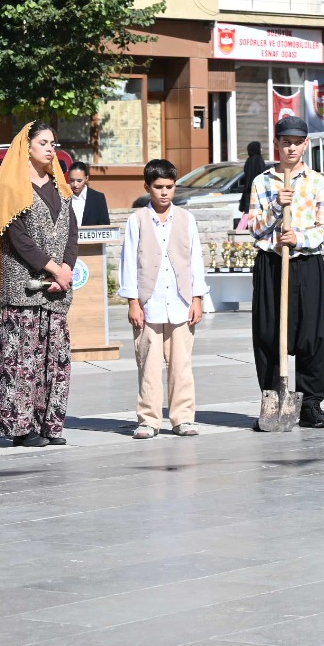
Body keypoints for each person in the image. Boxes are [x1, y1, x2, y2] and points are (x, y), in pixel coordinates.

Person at [0, 123, 78, 447]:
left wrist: (66, 270)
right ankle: (21, 429)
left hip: (56, 292)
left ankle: (49, 425)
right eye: (43, 142)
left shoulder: (61, 188)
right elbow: (19, 240)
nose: (50, 149)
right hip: (23, 290)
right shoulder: (11, 188)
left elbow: (72, 234)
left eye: (53, 143)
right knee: (21, 362)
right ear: (27, 146)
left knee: (55, 361)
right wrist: (54, 269)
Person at [248, 115, 324, 429]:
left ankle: (311, 405)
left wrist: (299, 238)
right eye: (286, 142)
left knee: (313, 336)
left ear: (306, 144)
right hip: (272, 265)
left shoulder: (317, 182)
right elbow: (254, 229)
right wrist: (276, 207)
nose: (291, 148)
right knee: (269, 334)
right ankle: (273, 402)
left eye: (297, 143)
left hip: (307, 264)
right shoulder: (261, 182)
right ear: (276, 143)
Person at [120, 158, 209, 440]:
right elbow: (128, 263)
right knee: (148, 364)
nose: (164, 192)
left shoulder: (186, 219)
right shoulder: (136, 220)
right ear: (147, 187)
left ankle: (183, 418)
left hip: (181, 303)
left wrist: (197, 298)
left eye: (169, 187)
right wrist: (133, 302)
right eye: (158, 187)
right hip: (149, 304)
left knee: (181, 365)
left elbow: (195, 260)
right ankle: (148, 419)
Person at [66, 161, 110, 227]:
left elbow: (105, 226)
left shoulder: (98, 198)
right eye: (72, 180)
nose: (75, 184)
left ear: (86, 178)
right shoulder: (62, 197)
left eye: (79, 181)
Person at [237, 140, 266, 229]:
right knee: (252, 211)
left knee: (248, 210)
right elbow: (262, 174)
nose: (261, 149)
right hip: (257, 190)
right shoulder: (259, 160)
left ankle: (243, 228)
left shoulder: (248, 160)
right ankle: (240, 229)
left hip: (248, 190)